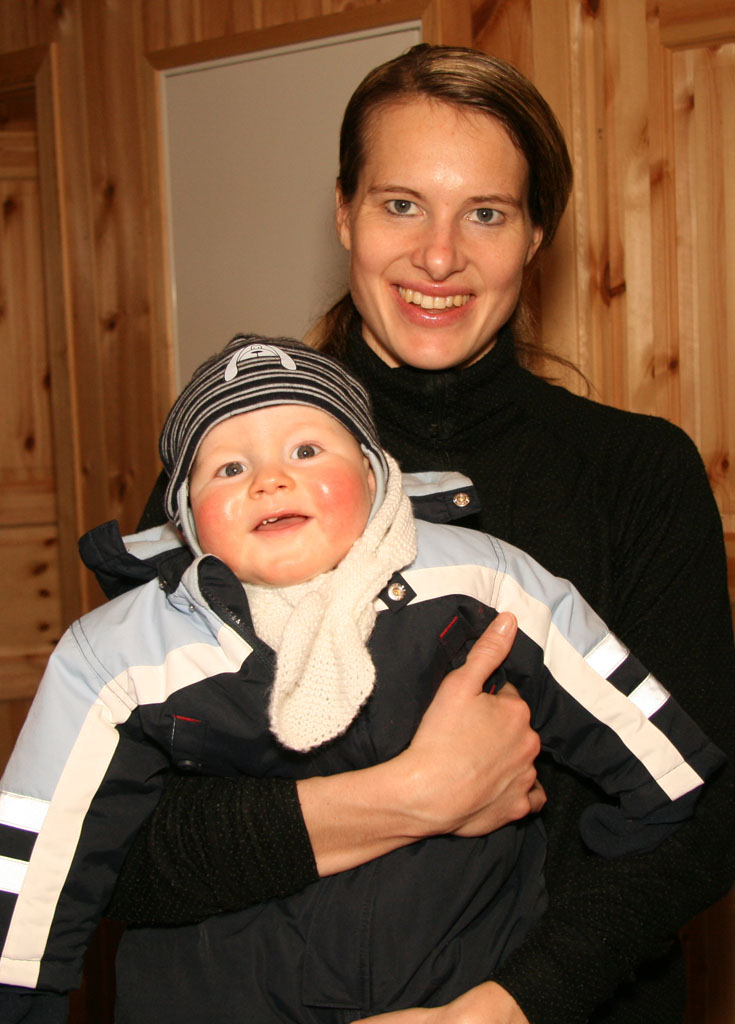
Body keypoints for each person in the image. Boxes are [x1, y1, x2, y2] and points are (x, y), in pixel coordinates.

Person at [111, 44, 735, 1024]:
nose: (439, 256)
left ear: (535, 235)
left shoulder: (635, 476)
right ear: (343, 213)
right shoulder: (233, 478)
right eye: (401, 204)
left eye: (485, 213)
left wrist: (501, 1008)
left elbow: (700, 813)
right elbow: (115, 841)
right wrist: (411, 793)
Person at [0, 335, 725, 1024]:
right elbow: (41, 844)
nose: (269, 479)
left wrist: (642, 810)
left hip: (455, 982)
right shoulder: (126, 654)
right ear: (186, 520)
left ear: (376, 478)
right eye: (228, 469)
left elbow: (621, 705)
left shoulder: (474, 578)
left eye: (306, 450)